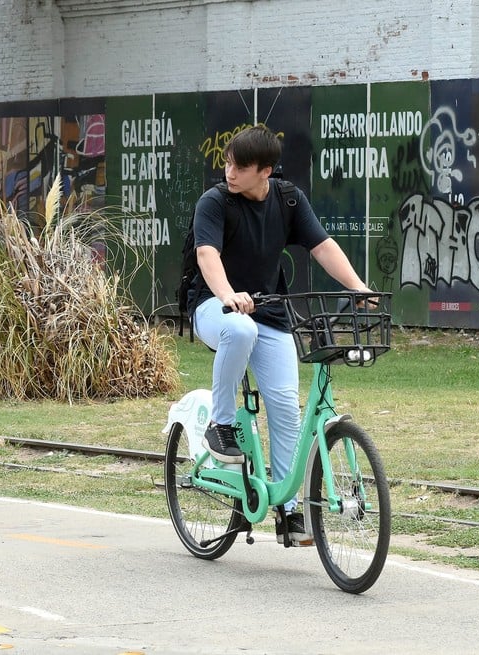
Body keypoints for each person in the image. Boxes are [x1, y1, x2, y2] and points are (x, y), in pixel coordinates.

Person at [189, 125, 374, 546]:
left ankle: (290, 513)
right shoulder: (215, 202)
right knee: (238, 327)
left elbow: (322, 245)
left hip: (270, 317)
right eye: (228, 161)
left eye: (240, 166)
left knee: (287, 410)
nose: (229, 171)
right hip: (213, 308)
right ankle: (220, 424)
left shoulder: (288, 199)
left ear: (265, 171)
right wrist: (228, 296)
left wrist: (357, 286)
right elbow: (207, 254)